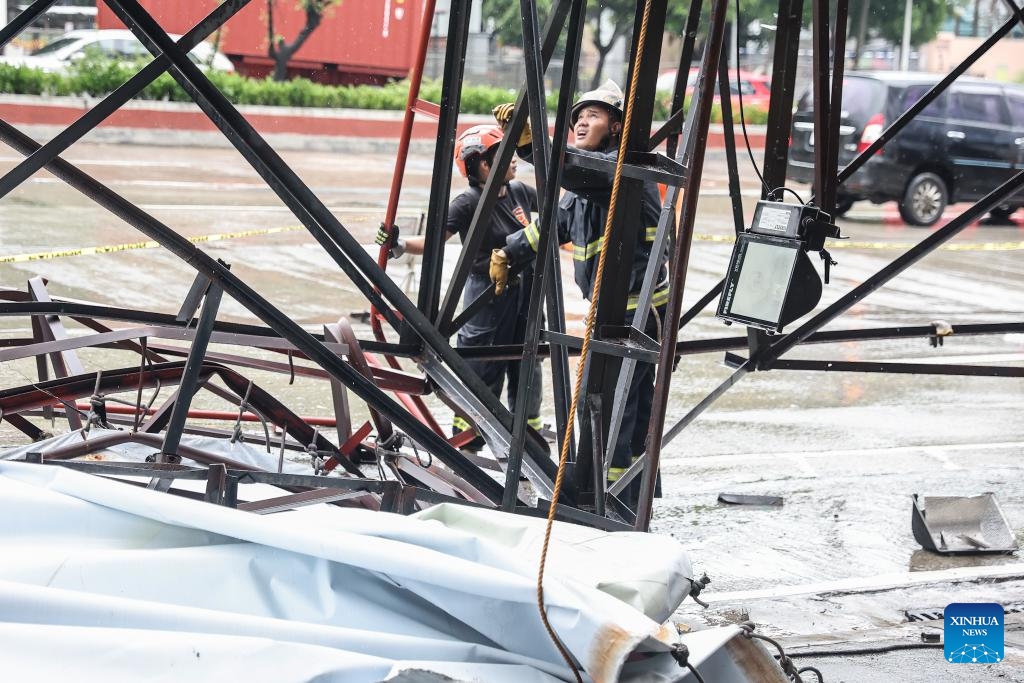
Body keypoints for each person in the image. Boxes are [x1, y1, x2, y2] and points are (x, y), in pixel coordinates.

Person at [490, 81, 669, 505]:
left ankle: (613, 502)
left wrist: (534, 146)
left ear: (617, 126)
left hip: (635, 317)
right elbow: (550, 225)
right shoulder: (585, 188)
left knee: (613, 410)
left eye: (594, 115)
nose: (582, 122)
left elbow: (575, 170)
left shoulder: (623, 171)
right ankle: (629, 493)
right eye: (577, 118)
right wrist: (509, 253)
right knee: (618, 408)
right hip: (607, 315)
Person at [376, 124, 543, 451]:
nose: (513, 161)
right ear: (482, 164)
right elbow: (435, 240)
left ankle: (530, 444)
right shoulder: (468, 202)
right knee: (481, 370)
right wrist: (399, 244)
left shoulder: (521, 192)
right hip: (486, 300)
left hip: (525, 297)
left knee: (527, 368)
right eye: (503, 155)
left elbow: (558, 209)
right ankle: (467, 446)